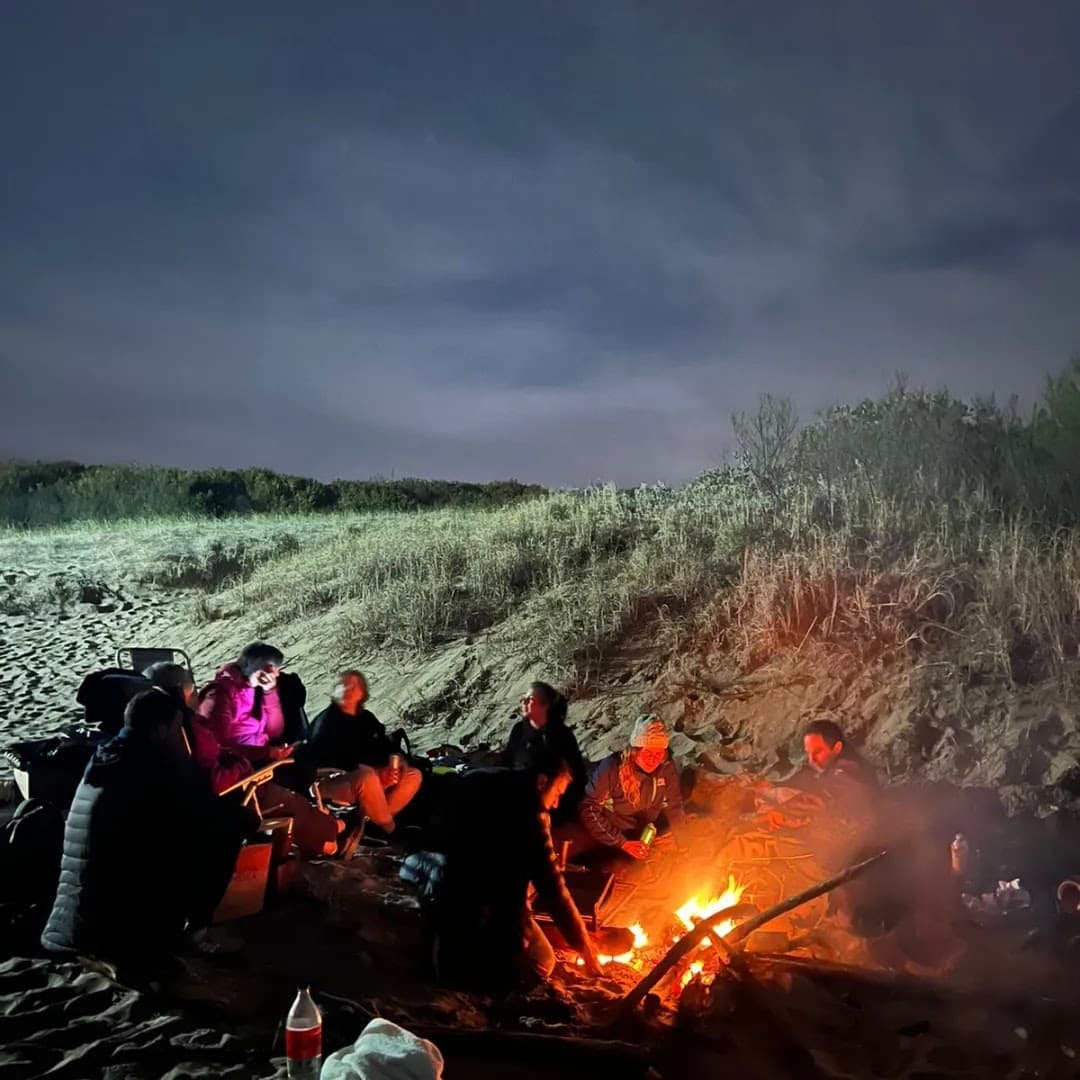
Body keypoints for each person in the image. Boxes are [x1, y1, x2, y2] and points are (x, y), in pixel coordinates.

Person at [41, 689, 251, 969]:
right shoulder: (154, 764)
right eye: (177, 728)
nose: (181, 736)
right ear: (161, 730)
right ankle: (196, 931)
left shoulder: (105, 758)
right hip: (109, 930)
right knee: (232, 824)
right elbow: (204, 810)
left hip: (66, 925)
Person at [406, 762, 603, 991]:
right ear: (541, 782)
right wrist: (584, 947)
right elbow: (553, 889)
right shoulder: (529, 816)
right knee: (542, 960)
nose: (556, 803)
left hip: (426, 878)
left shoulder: (478, 776)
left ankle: (443, 960)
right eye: (557, 793)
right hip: (470, 898)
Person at [145, 662, 341, 858]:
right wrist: (241, 764)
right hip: (234, 795)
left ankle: (330, 826)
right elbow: (218, 781)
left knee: (289, 792)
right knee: (289, 798)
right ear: (182, 692)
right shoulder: (190, 729)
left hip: (198, 800)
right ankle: (328, 838)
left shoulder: (156, 730)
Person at [305, 671, 423, 837]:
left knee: (412, 774)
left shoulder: (367, 719)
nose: (348, 690)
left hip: (369, 778)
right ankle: (389, 828)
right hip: (331, 782)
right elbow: (323, 762)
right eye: (343, 685)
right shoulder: (326, 722)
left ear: (363, 693)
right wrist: (374, 771)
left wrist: (395, 758)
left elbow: (385, 745)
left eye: (354, 686)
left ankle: (374, 824)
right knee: (367, 777)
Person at [557, 713, 684, 863]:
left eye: (659, 753)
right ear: (636, 750)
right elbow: (588, 808)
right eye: (648, 752)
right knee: (613, 867)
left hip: (642, 830)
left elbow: (674, 803)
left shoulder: (666, 768)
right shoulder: (612, 768)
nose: (653, 759)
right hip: (609, 833)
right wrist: (622, 842)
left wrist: (681, 838)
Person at [501, 681, 587, 821]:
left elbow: (576, 776)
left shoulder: (561, 735)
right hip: (520, 795)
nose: (523, 702)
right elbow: (507, 763)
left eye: (530, 700)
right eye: (524, 699)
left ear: (545, 706)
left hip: (552, 803)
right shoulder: (519, 730)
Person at [197, 643, 293, 763]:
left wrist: (270, 692)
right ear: (246, 662)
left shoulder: (256, 688)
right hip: (239, 763)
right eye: (264, 665)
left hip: (260, 752)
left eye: (274, 668)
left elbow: (275, 731)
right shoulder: (219, 694)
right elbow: (219, 746)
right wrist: (266, 753)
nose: (269, 673)